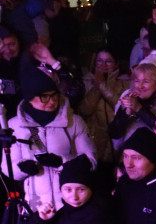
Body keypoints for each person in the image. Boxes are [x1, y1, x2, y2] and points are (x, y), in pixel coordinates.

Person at [11, 67, 97, 214]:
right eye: (44, 96)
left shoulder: (74, 122)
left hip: (69, 204)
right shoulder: (14, 125)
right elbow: (8, 167)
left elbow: (91, 161)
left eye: (54, 95)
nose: (51, 101)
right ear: (30, 97)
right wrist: (22, 169)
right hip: (35, 205)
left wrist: (62, 161)